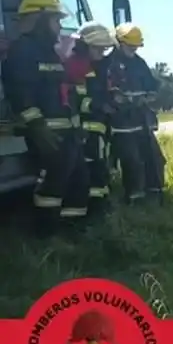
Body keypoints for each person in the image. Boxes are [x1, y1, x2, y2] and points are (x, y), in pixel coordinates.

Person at [0, 0, 90, 237]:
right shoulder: (22, 51)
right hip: (48, 133)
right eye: (55, 21)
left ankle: (74, 231)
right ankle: (47, 235)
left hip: (66, 133)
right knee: (53, 184)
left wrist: (76, 125)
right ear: (39, 19)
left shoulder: (50, 52)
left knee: (78, 180)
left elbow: (63, 93)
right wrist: (37, 126)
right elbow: (20, 91)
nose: (59, 27)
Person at [63, 21, 117, 217]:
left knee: (100, 168)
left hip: (98, 128)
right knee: (88, 171)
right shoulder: (76, 66)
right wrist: (98, 105)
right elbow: (72, 97)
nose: (102, 53)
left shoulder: (99, 66)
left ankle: (98, 208)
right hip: (83, 129)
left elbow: (103, 91)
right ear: (85, 46)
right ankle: (85, 215)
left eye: (104, 49)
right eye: (98, 49)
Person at [107, 22, 165, 204]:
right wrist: (123, 99)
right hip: (121, 124)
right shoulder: (109, 63)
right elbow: (110, 93)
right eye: (130, 46)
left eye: (136, 46)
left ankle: (155, 194)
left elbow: (152, 86)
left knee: (155, 158)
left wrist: (150, 96)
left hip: (141, 121)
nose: (133, 49)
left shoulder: (139, 63)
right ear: (118, 42)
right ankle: (134, 199)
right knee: (132, 160)